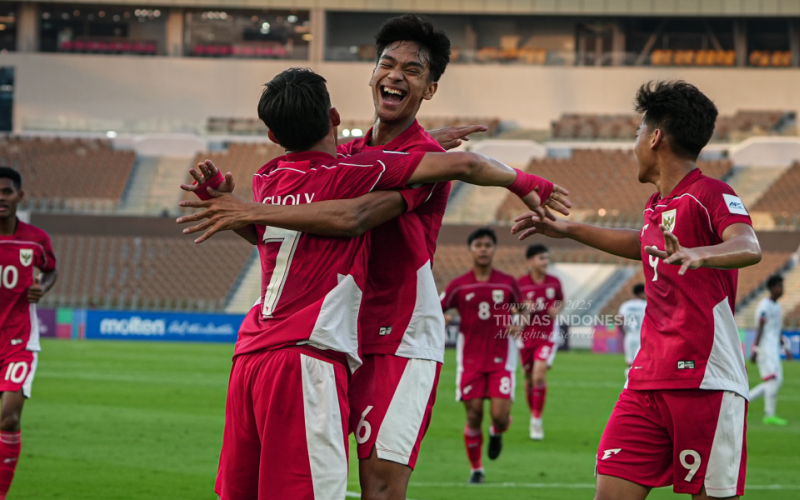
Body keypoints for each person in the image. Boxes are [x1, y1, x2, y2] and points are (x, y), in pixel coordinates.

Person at [185, 16, 569, 500]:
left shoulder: (410, 164)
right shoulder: (350, 155)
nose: (395, 75)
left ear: (429, 89)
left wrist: (249, 208)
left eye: (413, 70)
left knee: (380, 489)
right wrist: (240, 211)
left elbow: (357, 215)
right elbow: (292, 231)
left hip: (398, 338)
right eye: (387, 63)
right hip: (334, 337)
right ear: (371, 75)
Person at [512, 80, 762, 499]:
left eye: (637, 132)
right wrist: (570, 230)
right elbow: (641, 244)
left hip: (704, 380)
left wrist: (701, 253)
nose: (634, 143)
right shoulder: (656, 206)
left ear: (655, 137)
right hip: (646, 379)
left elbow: (748, 244)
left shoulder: (710, 193)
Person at [440, 228, 521, 484]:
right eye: (478, 245)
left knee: (499, 415)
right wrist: (442, 317)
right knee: (474, 415)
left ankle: (497, 430)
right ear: (471, 250)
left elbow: (523, 310)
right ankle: (476, 469)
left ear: (494, 249)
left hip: (501, 358)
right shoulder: (458, 285)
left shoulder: (507, 283)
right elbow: (436, 308)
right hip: (470, 360)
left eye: (488, 245)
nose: (483, 249)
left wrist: (519, 323)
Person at [0, 167, 57, 500]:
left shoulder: (35, 239)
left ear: (19, 196)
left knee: (9, 418)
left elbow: (50, 270)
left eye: (7, 191)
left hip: (19, 342)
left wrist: (42, 288)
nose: (1, 198)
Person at [516, 243, 563, 440]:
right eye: (541, 258)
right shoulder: (520, 284)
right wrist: (523, 308)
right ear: (530, 261)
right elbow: (512, 308)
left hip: (547, 334)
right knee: (528, 378)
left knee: (538, 375)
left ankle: (536, 420)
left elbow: (560, 300)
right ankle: (533, 414)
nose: (546, 261)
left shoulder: (554, 282)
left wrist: (556, 309)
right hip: (526, 336)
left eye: (547, 258)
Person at [749, 274, 791, 425]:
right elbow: (760, 327)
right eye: (779, 286)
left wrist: (785, 346)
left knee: (776, 381)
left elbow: (777, 329)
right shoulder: (764, 305)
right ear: (772, 288)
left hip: (773, 348)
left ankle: (745, 399)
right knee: (772, 380)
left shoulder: (777, 306)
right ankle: (769, 415)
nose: (782, 289)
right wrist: (755, 349)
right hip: (765, 348)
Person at [618, 283, 647, 378]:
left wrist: (623, 332)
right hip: (642, 336)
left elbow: (619, 320)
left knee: (630, 362)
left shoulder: (626, 305)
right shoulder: (646, 305)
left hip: (630, 335)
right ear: (641, 293)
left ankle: (629, 383)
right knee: (642, 363)